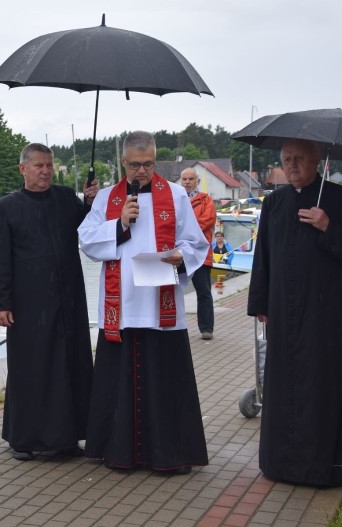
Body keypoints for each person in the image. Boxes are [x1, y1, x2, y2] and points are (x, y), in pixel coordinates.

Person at [78, 130, 209, 473]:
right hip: (121, 306)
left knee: (163, 380)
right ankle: (118, 451)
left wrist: (182, 257)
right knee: (120, 382)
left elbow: (197, 243)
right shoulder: (107, 198)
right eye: (135, 165)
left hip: (160, 302)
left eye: (148, 164)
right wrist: (119, 224)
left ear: (155, 160)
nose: (142, 171)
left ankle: (169, 453)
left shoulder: (177, 195)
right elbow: (86, 239)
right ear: (123, 162)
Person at [247, 138, 342, 487]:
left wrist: (328, 226)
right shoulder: (274, 202)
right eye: (286, 159)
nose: (291, 166)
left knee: (317, 386)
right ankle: (279, 463)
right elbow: (262, 255)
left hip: (327, 315)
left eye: (299, 160)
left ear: (316, 161)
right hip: (282, 310)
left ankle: (317, 467)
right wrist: (260, 303)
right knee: (281, 385)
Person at [0, 143, 98, 461]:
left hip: (68, 299)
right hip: (27, 303)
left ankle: (67, 437)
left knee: (69, 365)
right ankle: (23, 439)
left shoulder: (65, 198)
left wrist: (91, 201)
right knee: (31, 369)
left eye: (49, 165)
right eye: (39, 166)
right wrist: (0, 303)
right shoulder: (7, 207)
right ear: (23, 169)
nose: (46, 171)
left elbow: (88, 229)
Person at [179, 168, 216, 340]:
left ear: (197, 181)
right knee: (173, 290)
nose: (187, 182)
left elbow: (207, 221)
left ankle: (206, 328)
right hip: (179, 253)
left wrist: (185, 230)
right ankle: (174, 325)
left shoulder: (206, 200)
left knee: (204, 292)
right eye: (184, 179)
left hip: (200, 253)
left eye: (190, 179)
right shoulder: (176, 199)